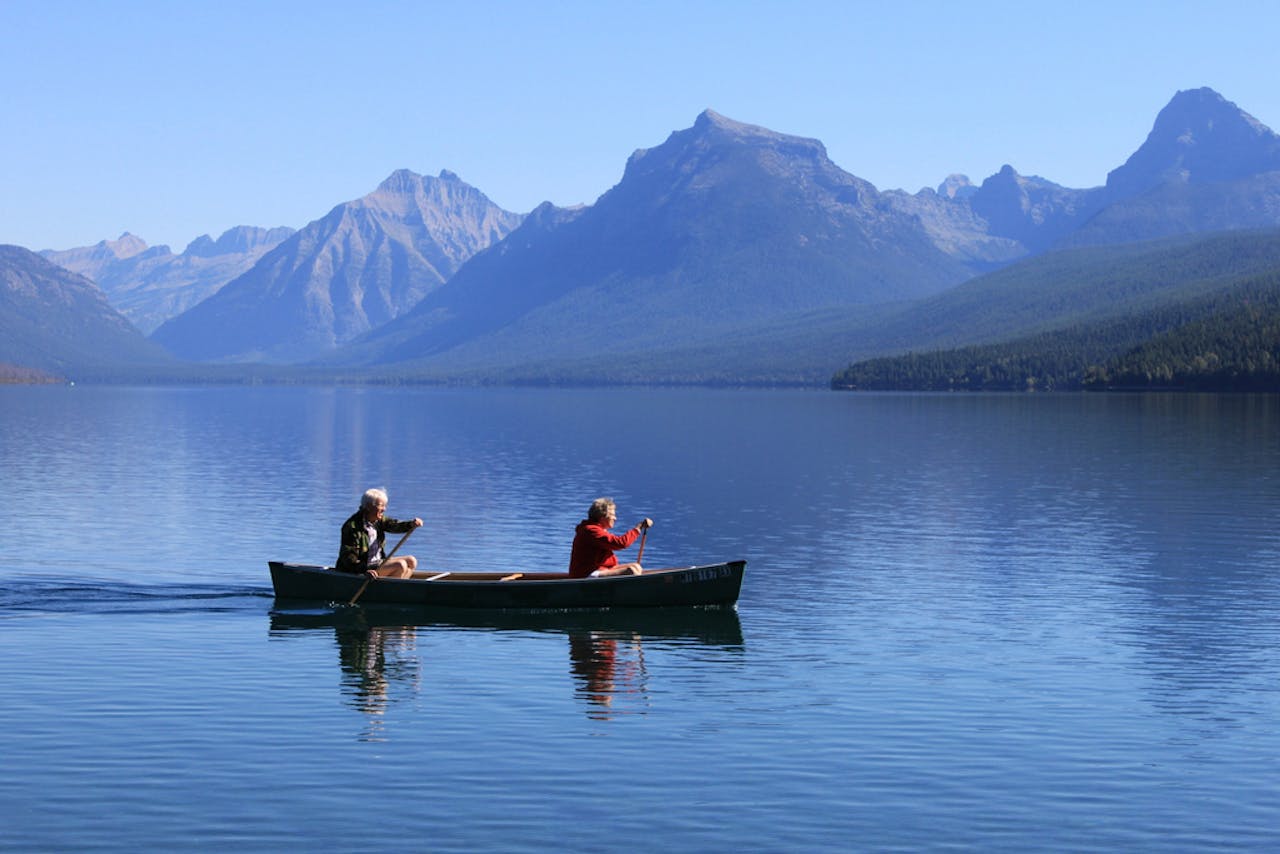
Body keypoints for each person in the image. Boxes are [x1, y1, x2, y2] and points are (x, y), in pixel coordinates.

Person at [336, 487, 424, 579]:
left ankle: (395, 587)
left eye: (385, 506)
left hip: (377, 562)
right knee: (400, 565)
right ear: (369, 507)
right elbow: (348, 557)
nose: (384, 509)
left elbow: (394, 525)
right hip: (361, 567)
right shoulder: (352, 526)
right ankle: (389, 591)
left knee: (411, 561)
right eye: (381, 506)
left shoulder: (378, 521)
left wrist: (411, 524)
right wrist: (364, 570)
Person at [568, 497, 653, 578]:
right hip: (586, 574)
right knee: (631, 571)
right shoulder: (591, 531)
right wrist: (638, 528)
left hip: (599, 569)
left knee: (636, 566)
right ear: (602, 516)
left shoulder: (596, 529)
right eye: (612, 515)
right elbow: (621, 543)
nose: (615, 518)